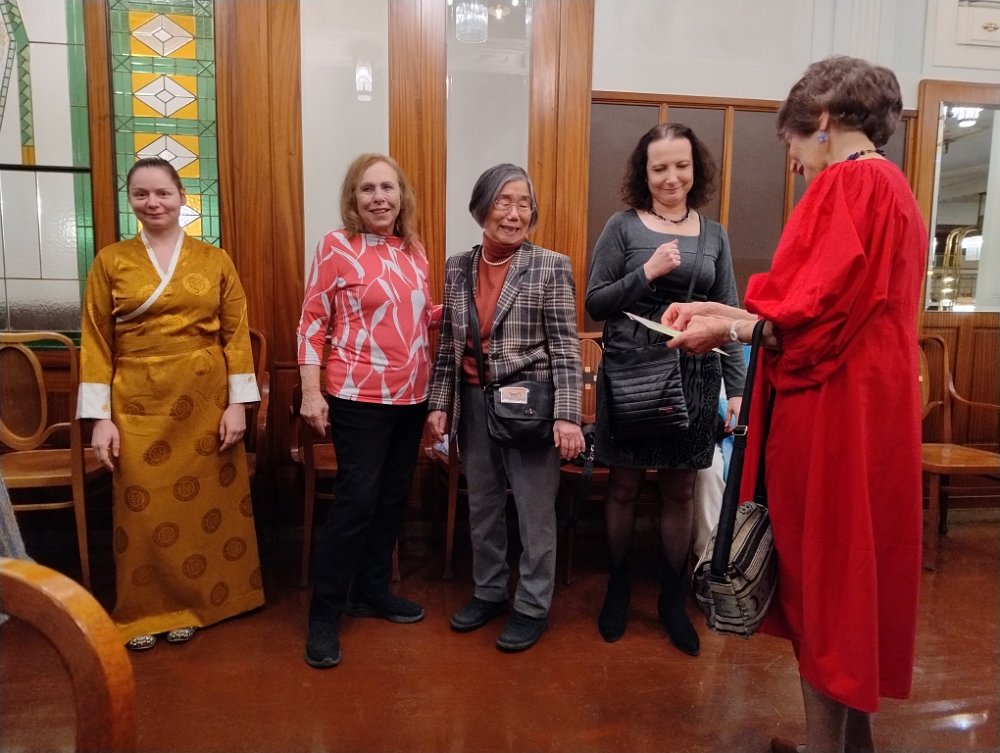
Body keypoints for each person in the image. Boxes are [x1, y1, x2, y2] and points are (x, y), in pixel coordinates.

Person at [663, 56, 926, 753]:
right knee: (855, 578)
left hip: (832, 410)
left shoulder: (848, 183)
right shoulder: (894, 187)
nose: (794, 162)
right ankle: (854, 741)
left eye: (792, 142)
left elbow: (802, 328)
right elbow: (819, 311)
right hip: (873, 411)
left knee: (824, 580)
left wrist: (725, 329)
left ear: (824, 121)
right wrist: (722, 312)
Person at [79, 156, 263, 651]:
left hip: (204, 402)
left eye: (163, 192)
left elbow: (236, 335)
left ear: (183, 197)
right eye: (141, 194)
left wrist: (237, 406)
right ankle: (145, 610)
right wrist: (99, 419)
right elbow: (95, 340)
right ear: (130, 200)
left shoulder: (215, 260)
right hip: (136, 403)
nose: (153, 202)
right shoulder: (110, 261)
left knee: (204, 507)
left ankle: (198, 604)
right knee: (140, 507)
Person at [585, 123, 747, 655]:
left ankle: (672, 599)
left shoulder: (714, 235)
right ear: (644, 172)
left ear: (695, 169)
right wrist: (647, 273)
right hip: (632, 374)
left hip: (694, 376)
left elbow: (729, 318)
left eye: (681, 165)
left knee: (680, 489)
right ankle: (618, 587)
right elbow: (595, 302)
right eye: (659, 168)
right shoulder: (622, 227)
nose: (671, 177)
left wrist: (737, 391)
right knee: (623, 487)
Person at [427, 163, 584, 653]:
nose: (515, 214)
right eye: (504, 202)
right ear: (482, 208)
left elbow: (566, 347)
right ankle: (489, 591)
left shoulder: (550, 265)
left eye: (524, 204)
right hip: (474, 402)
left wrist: (568, 415)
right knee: (484, 505)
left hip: (531, 406)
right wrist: (439, 404)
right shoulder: (458, 266)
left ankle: (532, 605)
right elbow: (450, 345)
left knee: (535, 511)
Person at [298, 153, 440, 669]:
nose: (379, 197)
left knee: (391, 500)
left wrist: (467, 309)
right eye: (367, 189)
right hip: (358, 395)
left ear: (402, 196)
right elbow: (312, 322)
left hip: (412, 396)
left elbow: (417, 317)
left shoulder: (415, 251)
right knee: (356, 502)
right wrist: (311, 392)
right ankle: (324, 616)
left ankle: (372, 593)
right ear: (353, 199)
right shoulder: (337, 246)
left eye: (387, 187)